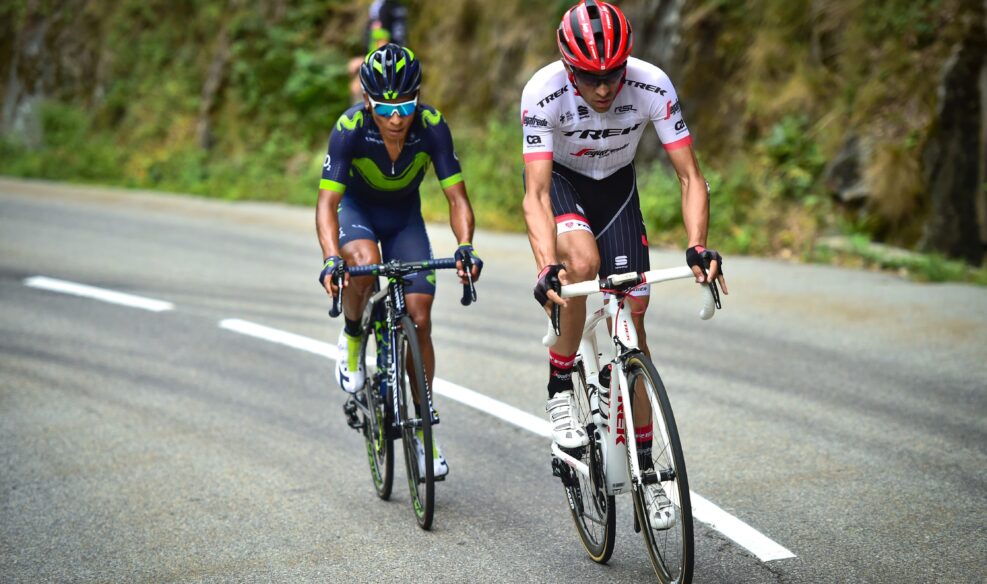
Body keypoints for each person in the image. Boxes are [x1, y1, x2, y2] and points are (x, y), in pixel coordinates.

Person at [520, 0, 727, 528]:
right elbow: (536, 194)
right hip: (562, 183)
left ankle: (649, 474)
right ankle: (560, 384)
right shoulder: (543, 91)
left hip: (616, 189)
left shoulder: (652, 84)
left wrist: (697, 245)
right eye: (590, 78)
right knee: (581, 264)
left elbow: (690, 176)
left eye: (613, 75)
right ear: (569, 69)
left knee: (633, 325)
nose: (604, 88)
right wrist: (546, 266)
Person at [317, 43, 482, 478]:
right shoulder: (350, 128)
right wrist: (332, 258)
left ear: (418, 98)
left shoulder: (432, 127)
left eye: (406, 106)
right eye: (387, 108)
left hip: (404, 219)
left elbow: (457, 198)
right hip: (356, 212)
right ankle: (353, 336)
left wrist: (465, 245)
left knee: (420, 318)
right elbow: (326, 204)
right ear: (368, 100)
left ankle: (425, 432)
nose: (396, 118)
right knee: (363, 262)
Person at [347, 0, 409, 104]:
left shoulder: (381, 7)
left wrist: (364, 62)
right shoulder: (398, 6)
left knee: (357, 87)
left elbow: (382, 42)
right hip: (399, 62)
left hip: (387, 64)